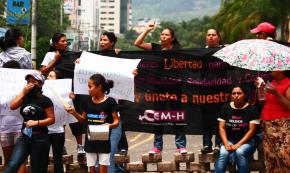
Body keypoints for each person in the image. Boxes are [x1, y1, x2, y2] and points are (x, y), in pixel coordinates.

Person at [134, 21, 186, 154]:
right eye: (162, 34)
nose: (163, 36)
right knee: (158, 116)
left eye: (166, 35)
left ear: (172, 38)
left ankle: (181, 145)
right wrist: (147, 30)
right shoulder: (155, 48)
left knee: (176, 116)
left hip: (175, 88)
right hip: (159, 88)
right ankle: (157, 146)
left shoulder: (178, 50)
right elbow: (137, 43)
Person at [40, 32, 85, 157]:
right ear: (55, 44)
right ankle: (62, 144)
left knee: (74, 116)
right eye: (63, 41)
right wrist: (55, 61)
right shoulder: (50, 55)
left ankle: (80, 146)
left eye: (66, 41)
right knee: (60, 117)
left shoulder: (72, 55)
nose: (66, 43)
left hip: (71, 90)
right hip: (56, 91)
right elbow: (43, 71)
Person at [65, 73, 120, 173]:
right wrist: (73, 112)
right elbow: (82, 119)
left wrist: (110, 125)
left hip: (104, 140)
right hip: (90, 140)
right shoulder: (87, 101)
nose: (88, 89)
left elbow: (117, 121)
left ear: (99, 87)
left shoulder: (110, 102)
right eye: (88, 86)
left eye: (90, 86)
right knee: (91, 168)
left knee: (103, 167)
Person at [3, 71, 55, 173]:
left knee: (37, 168)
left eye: (33, 81)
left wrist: (36, 123)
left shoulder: (45, 100)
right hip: (25, 137)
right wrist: (23, 92)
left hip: (40, 138)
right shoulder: (25, 97)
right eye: (28, 81)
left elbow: (52, 119)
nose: (30, 83)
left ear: (40, 84)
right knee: (13, 164)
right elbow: (12, 106)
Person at [99, 31, 129, 173]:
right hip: (97, 119)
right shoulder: (94, 58)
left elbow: (127, 73)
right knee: (100, 156)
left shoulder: (118, 57)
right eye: (101, 39)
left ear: (112, 43)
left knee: (108, 155)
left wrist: (119, 56)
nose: (102, 42)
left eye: (105, 40)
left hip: (114, 118)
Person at [214, 85, 260, 173]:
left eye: (239, 93)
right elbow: (221, 127)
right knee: (224, 153)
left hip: (247, 142)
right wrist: (226, 143)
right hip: (229, 140)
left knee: (240, 152)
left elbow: (252, 130)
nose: (236, 95)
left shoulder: (252, 109)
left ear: (245, 95)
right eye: (233, 93)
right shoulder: (225, 107)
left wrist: (238, 144)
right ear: (231, 96)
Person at [256, 71, 290, 173]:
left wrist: (276, 93)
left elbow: (288, 106)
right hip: (267, 124)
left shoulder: (288, 83)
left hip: (282, 125)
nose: (271, 70)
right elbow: (262, 101)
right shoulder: (272, 83)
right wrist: (260, 88)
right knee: (270, 155)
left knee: (284, 155)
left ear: (281, 70)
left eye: (274, 68)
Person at [0, 61, 26, 173]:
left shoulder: (25, 86)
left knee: (12, 160)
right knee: (18, 161)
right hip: (12, 127)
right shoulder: (24, 86)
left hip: (10, 127)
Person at [201, 29, 223, 154]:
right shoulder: (200, 53)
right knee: (206, 119)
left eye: (213, 35)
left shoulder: (225, 51)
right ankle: (206, 144)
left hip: (221, 92)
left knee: (219, 118)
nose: (210, 37)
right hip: (204, 92)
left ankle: (218, 144)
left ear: (218, 37)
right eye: (208, 35)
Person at [46, 70, 65, 173]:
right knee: (43, 159)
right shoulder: (42, 90)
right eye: (48, 75)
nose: (47, 77)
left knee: (58, 159)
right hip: (44, 130)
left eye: (51, 76)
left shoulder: (64, 93)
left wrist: (71, 98)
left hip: (58, 131)